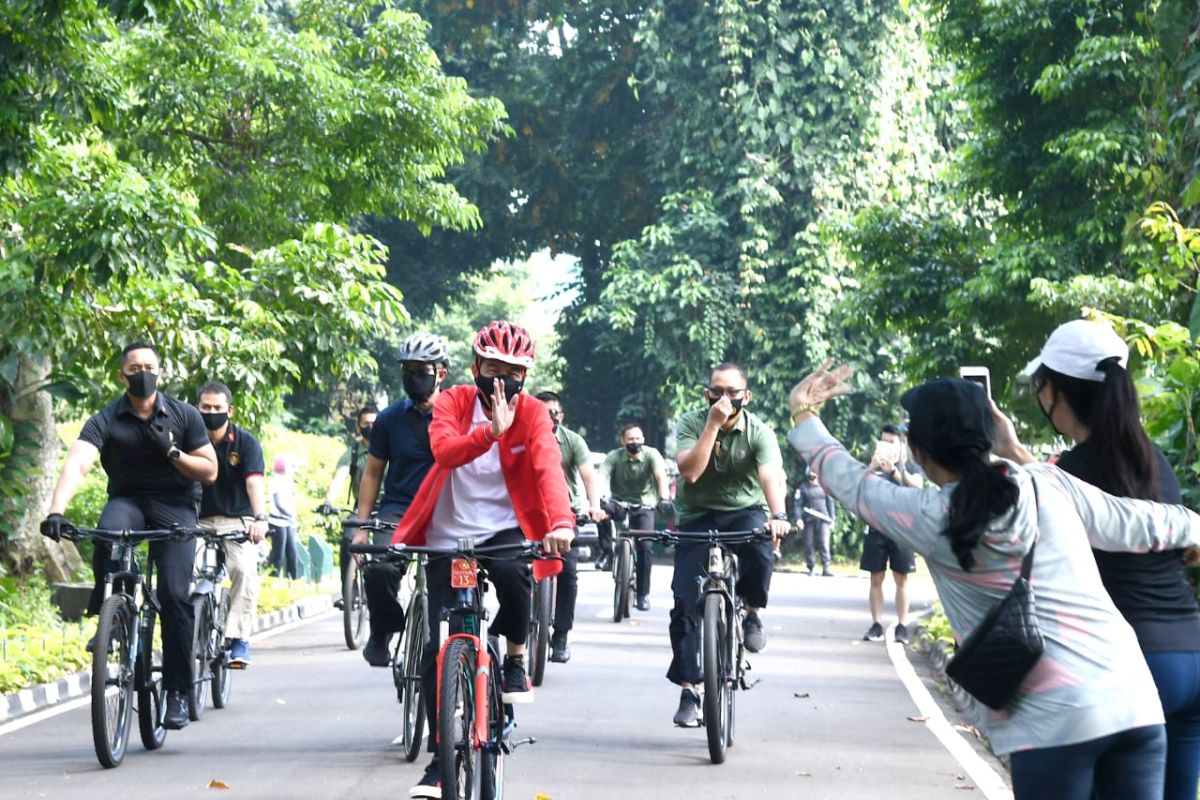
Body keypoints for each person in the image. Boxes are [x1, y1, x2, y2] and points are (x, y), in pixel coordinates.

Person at [788, 362, 1200, 800]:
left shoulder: (929, 517)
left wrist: (803, 413)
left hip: (1051, 725)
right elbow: (1143, 521)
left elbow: (850, 482)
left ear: (921, 454)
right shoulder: (1048, 484)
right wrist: (1195, 531)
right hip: (1133, 704)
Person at [1004, 319, 1200, 800]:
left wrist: (1007, 453)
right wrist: (1015, 451)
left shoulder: (1070, 472)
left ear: (1053, 392)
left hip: (1132, 663)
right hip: (1191, 655)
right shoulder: (1155, 460)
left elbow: (1060, 502)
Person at [393, 320, 574, 799]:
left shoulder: (534, 414)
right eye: (492, 368)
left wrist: (560, 524)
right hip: (447, 533)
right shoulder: (453, 402)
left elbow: (547, 468)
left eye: (512, 372)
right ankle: (439, 760)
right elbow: (444, 451)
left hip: (504, 529)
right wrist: (490, 433)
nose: (501, 379)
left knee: (518, 574)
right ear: (476, 367)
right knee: (440, 649)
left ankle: (514, 656)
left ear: (525, 377)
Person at [41, 342, 218, 729]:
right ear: (122, 375)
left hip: (176, 505)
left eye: (149, 366)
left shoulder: (185, 415)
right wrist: (56, 511)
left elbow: (209, 470)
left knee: (174, 594)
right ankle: (111, 611)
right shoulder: (106, 419)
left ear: (160, 372)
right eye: (135, 367)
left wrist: (172, 453)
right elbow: (79, 462)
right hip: (129, 500)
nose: (143, 373)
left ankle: (176, 692)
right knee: (107, 533)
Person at [669, 363, 791, 727]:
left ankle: (752, 612)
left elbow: (771, 474)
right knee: (683, 601)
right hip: (695, 514)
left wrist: (779, 514)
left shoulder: (759, 432)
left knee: (761, 550)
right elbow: (690, 471)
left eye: (732, 393)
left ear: (745, 397)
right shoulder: (692, 423)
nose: (724, 399)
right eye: (716, 391)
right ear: (706, 393)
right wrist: (712, 425)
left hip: (744, 511)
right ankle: (689, 688)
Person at [352, 333, 448, 667]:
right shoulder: (390, 419)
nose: (414, 377)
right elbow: (373, 473)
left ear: (441, 373)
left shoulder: (459, 415)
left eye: (421, 370)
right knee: (378, 569)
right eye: (407, 370)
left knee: (463, 579)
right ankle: (384, 629)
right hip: (399, 510)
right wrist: (362, 526)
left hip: (450, 510)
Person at [195, 382, 269, 668]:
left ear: (230, 410)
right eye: (206, 407)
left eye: (217, 408)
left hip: (235, 522)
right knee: (181, 573)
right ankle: (187, 633)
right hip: (195, 522)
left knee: (244, 570)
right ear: (197, 408)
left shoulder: (246, 443)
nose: (211, 412)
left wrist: (260, 518)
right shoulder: (188, 440)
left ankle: (238, 638)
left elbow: (254, 483)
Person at [535, 391, 606, 663]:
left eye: (554, 412)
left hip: (567, 514)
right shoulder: (521, 436)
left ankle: (561, 634)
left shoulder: (573, 441)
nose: (549, 417)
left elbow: (589, 476)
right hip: (531, 513)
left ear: (560, 416)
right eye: (543, 412)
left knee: (568, 573)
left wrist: (594, 505)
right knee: (516, 570)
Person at [860, 423, 922, 644]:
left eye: (891, 442)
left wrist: (895, 471)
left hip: (902, 529)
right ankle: (876, 624)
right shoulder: (874, 465)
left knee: (901, 578)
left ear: (901, 445)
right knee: (875, 577)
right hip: (876, 527)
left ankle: (902, 626)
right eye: (884, 441)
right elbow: (860, 487)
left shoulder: (910, 466)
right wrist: (872, 466)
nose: (887, 446)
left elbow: (917, 487)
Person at [599, 422, 671, 611]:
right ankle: (606, 551)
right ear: (623, 441)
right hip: (619, 502)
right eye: (630, 439)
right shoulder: (614, 457)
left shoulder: (652, 455)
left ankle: (643, 594)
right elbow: (601, 476)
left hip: (645, 505)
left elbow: (660, 476)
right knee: (600, 512)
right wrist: (598, 497)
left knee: (645, 547)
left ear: (643, 439)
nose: (635, 442)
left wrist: (664, 498)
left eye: (638, 438)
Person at [320, 405, 378, 600]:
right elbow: (340, 476)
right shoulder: (353, 453)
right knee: (347, 539)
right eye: (366, 423)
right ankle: (349, 589)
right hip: (361, 508)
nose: (370, 427)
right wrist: (328, 501)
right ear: (358, 426)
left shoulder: (389, 447)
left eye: (374, 423)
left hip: (387, 508)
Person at [796, 469, 835, 576]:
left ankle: (826, 567)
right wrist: (798, 519)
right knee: (809, 543)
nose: (811, 474)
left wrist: (832, 519)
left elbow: (830, 503)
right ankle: (811, 567)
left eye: (814, 472)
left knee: (824, 543)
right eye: (810, 473)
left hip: (824, 519)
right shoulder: (802, 488)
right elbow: (798, 505)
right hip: (808, 520)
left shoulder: (825, 487)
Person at [267, 456, 299, 578]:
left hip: (288, 522)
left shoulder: (288, 481)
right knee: (278, 554)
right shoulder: (275, 480)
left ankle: (294, 580)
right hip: (277, 521)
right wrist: (290, 514)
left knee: (292, 553)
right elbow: (279, 503)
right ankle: (272, 578)